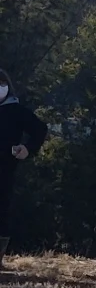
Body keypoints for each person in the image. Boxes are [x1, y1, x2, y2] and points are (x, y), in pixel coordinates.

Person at [0, 69, 48, 266]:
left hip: (4, 169)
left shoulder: (17, 112)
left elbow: (39, 129)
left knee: (1, 211)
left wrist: (28, 148)